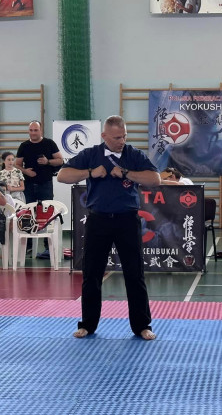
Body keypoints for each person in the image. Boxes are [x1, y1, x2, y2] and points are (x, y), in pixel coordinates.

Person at [57, 115, 161, 341]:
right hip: (98, 220)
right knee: (91, 274)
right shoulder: (91, 154)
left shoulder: (133, 155)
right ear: (104, 136)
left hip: (127, 220)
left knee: (135, 274)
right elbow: (62, 176)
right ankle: (88, 324)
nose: (121, 141)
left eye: (124, 136)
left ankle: (142, 326)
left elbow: (155, 179)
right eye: (116, 138)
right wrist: (89, 173)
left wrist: (126, 173)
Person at [15, 121, 63, 259]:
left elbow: (60, 160)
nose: (33, 133)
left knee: (47, 213)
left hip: (45, 183)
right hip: (29, 185)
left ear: (41, 130)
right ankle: (28, 246)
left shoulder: (49, 143)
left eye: (35, 130)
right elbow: (17, 165)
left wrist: (48, 161)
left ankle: (48, 246)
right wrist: (25, 171)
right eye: (31, 130)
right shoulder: (24, 146)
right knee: (27, 214)